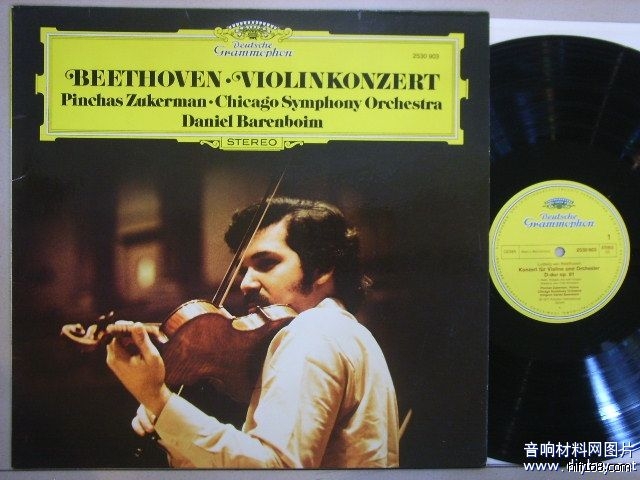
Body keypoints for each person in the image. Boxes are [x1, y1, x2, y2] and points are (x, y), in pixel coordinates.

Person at [106, 196, 400, 468]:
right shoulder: (348, 332)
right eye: (244, 270)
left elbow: (274, 468)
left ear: (322, 269)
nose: (246, 283)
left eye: (266, 263)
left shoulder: (313, 331)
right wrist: (168, 420)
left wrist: (158, 400)